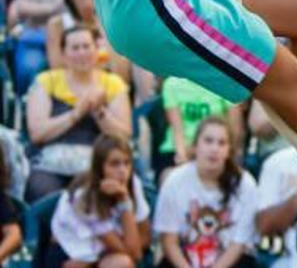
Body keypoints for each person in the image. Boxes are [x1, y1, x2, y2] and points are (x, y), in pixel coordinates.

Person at [25, 27, 131, 201]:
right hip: (51, 163)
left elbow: (123, 137)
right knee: (42, 190)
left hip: (97, 163)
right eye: (75, 48)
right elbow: (37, 133)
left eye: (86, 46)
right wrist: (76, 113)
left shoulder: (113, 84)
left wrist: (99, 112)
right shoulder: (46, 81)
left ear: (96, 50)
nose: (82, 52)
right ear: (64, 53)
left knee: (96, 193)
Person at [154, 117, 258, 268]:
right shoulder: (175, 181)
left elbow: (239, 244)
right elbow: (169, 241)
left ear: (229, 151)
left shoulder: (245, 185)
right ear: (196, 146)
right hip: (185, 258)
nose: (214, 149)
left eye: (221, 143)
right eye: (208, 141)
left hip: (230, 260)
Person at [47, 134, 149, 267]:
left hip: (100, 255)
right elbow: (133, 253)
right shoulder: (84, 196)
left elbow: (144, 240)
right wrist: (124, 201)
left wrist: (124, 200)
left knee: (122, 263)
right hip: (70, 255)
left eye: (127, 163)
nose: (123, 171)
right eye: (114, 164)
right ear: (100, 168)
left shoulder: (134, 184)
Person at [156, 77, 243, 180]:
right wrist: (183, 157)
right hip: (178, 149)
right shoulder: (172, 83)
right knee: (169, 176)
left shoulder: (226, 82)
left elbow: (235, 128)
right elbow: (177, 130)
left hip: (216, 145)